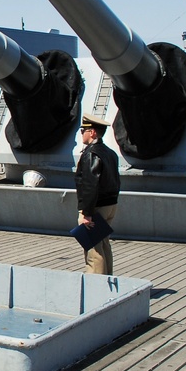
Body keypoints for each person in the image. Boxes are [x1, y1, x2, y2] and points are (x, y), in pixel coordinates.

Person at [75, 114, 121, 275]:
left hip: (97, 207)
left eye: (83, 130)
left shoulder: (91, 154)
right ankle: (108, 280)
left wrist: (86, 213)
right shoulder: (110, 153)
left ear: (92, 132)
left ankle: (96, 286)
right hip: (110, 205)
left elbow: (90, 185)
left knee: (94, 250)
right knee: (104, 244)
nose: (81, 133)